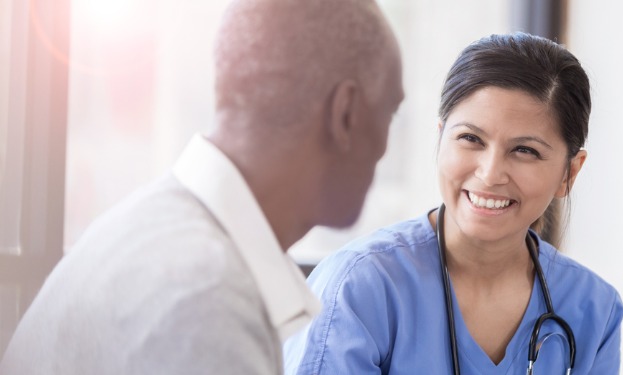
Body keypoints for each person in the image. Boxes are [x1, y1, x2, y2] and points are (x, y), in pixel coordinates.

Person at [0, 0, 403, 373]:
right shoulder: (204, 300)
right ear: (346, 114)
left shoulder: (150, 227)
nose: (387, 147)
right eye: (389, 112)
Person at [283, 32, 623, 375]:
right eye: (470, 139)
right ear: (441, 137)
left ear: (570, 173)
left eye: (525, 150)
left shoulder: (593, 309)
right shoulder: (360, 287)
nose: (490, 174)